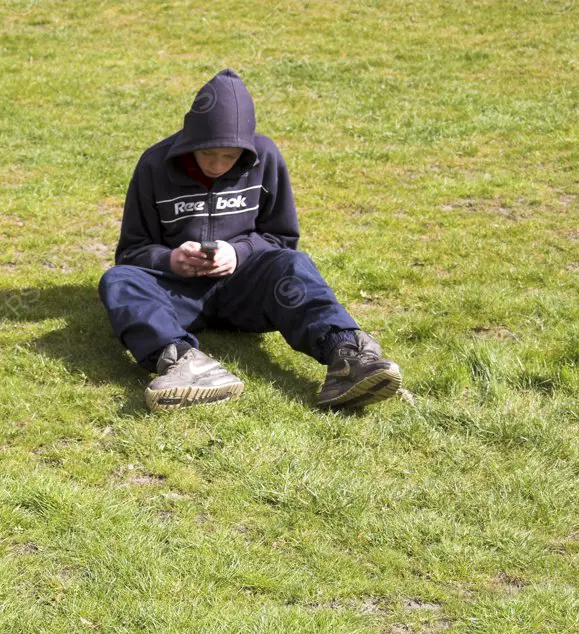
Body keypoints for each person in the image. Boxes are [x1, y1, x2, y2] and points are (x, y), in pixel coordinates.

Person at [98, 69, 403, 411]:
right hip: (176, 293)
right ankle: (183, 363)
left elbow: (282, 239)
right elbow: (131, 252)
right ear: (190, 142)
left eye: (228, 156)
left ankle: (348, 356)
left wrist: (238, 252)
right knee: (118, 281)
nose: (216, 164)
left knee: (295, 265)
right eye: (207, 154)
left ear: (246, 149)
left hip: (246, 292)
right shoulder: (154, 165)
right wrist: (170, 260)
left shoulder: (266, 157)